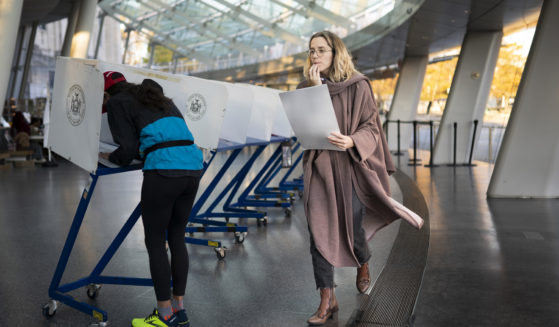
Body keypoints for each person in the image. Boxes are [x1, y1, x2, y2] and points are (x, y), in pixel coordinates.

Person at [298, 31, 424, 325]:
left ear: (335, 52)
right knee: (318, 232)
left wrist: (353, 140)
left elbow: (371, 126)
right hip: (320, 167)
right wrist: (314, 92)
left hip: (351, 167)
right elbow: (306, 126)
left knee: (354, 229)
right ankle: (327, 298)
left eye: (321, 50)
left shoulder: (358, 85)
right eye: (311, 51)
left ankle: (363, 260)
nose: (314, 56)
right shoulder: (306, 87)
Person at [100, 71, 203, 327]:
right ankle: (179, 309)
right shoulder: (158, 97)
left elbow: (128, 149)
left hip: (164, 169)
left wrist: (108, 157)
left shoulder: (116, 102)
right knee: (176, 236)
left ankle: (163, 315)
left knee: (155, 241)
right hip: (192, 165)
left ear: (106, 93)